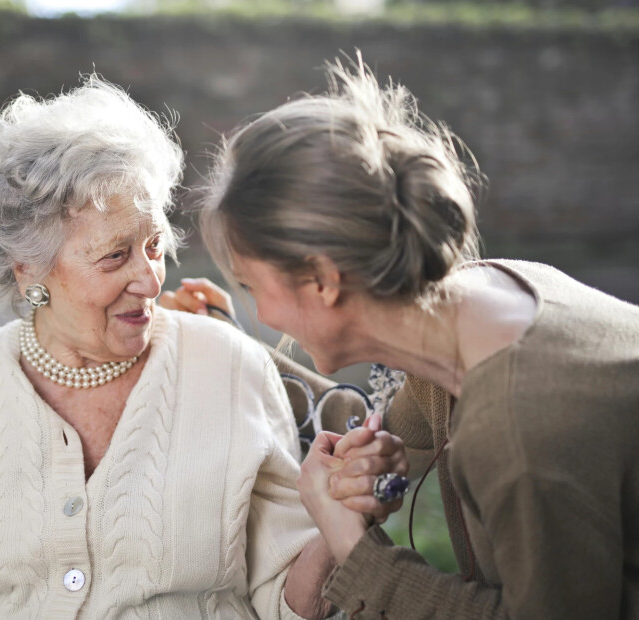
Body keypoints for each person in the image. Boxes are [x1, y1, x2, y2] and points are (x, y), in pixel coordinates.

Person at [0, 76, 407, 620]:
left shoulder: (230, 366)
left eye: (155, 244)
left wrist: (339, 518)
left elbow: (284, 601)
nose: (149, 279)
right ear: (29, 272)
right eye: (115, 256)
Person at [193, 55, 639, 619]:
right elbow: (380, 439)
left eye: (252, 285)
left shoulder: (518, 427)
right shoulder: (481, 301)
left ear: (324, 281)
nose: (261, 311)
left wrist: (356, 549)